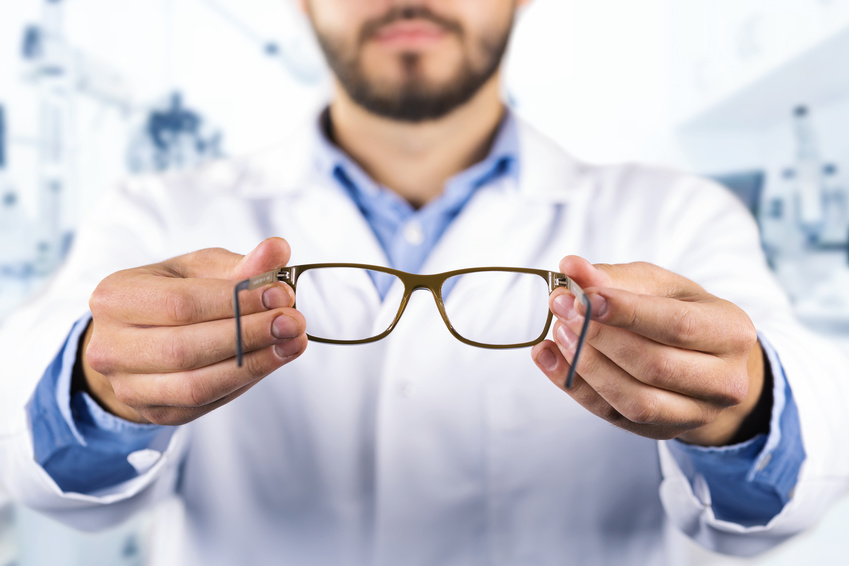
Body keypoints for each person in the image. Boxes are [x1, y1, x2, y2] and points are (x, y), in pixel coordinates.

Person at [1, 1, 847, 564]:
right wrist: (95, 387)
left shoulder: (676, 215)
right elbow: (30, 445)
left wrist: (746, 406)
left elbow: (807, 457)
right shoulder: (158, 213)